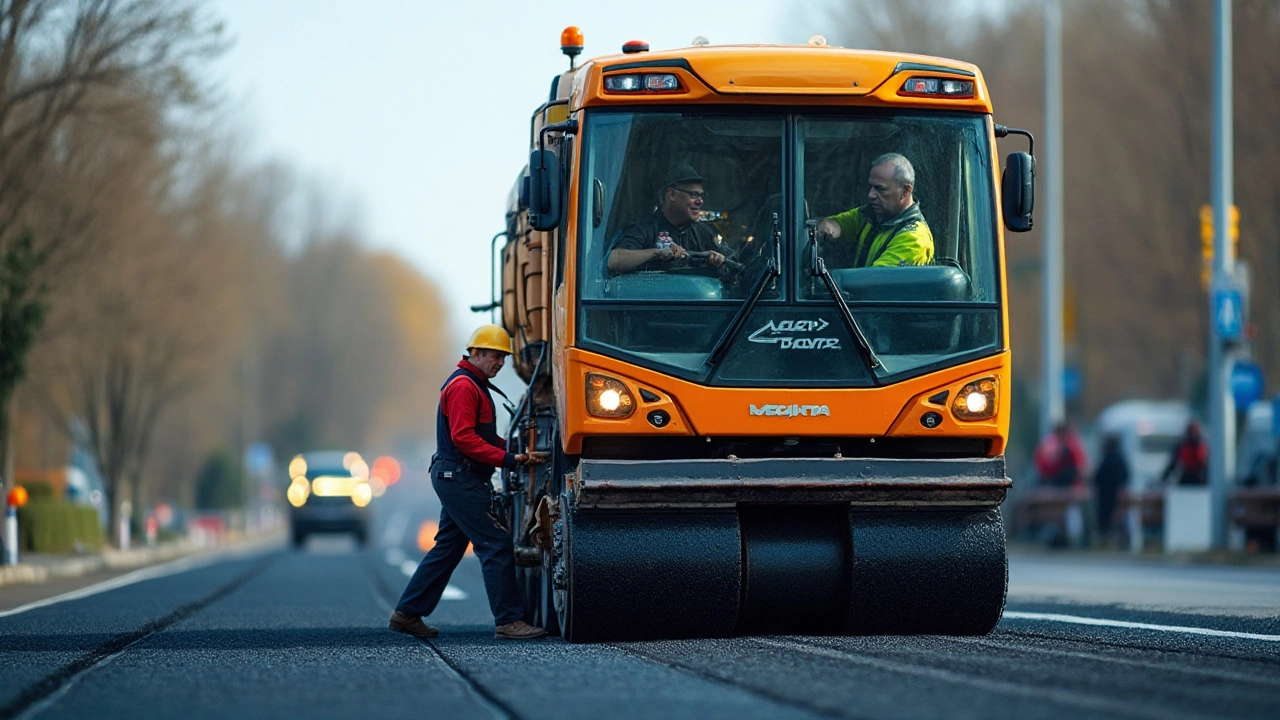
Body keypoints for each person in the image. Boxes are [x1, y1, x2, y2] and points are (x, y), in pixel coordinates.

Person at [390, 324, 548, 641]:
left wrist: (511, 449)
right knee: (495, 543)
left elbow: (482, 437)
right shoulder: (465, 387)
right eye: (494, 356)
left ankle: (407, 613)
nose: (500, 363)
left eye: (503, 357)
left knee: (448, 548)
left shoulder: (474, 384)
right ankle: (509, 621)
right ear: (474, 353)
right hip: (460, 477)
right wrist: (508, 459)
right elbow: (464, 438)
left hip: (455, 476)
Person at [606, 164, 736, 276]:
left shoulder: (704, 232)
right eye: (694, 195)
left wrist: (720, 262)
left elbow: (735, 265)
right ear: (671, 195)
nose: (700, 201)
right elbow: (614, 260)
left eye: (701, 195)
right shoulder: (643, 228)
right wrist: (657, 253)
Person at [814, 152, 934, 267]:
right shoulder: (871, 216)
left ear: (905, 191)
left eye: (880, 189)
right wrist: (826, 226)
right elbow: (838, 224)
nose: (870, 195)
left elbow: (874, 282)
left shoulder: (913, 240)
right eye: (870, 187)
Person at [1092, 434, 1130, 546]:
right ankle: (1118, 540)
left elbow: (1097, 477)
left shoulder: (1105, 458)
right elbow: (1126, 475)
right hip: (1117, 493)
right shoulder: (1120, 458)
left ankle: (1104, 540)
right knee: (1117, 518)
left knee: (1104, 518)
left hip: (1104, 494)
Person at [1033, 421, 1087, 488]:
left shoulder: (1072, 444)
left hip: (1070, 483)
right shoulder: (1050, 444)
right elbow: (1044, 464)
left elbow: (1080, 467)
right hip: (1052, 482)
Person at [1161, 421, 1208, 486]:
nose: (1192, 436)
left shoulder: (1204, 446)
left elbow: (1208, 465)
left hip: (1201, 478)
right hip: (1186, 478)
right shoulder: (1181, 446)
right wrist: (1163, 479)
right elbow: (1172, 464)